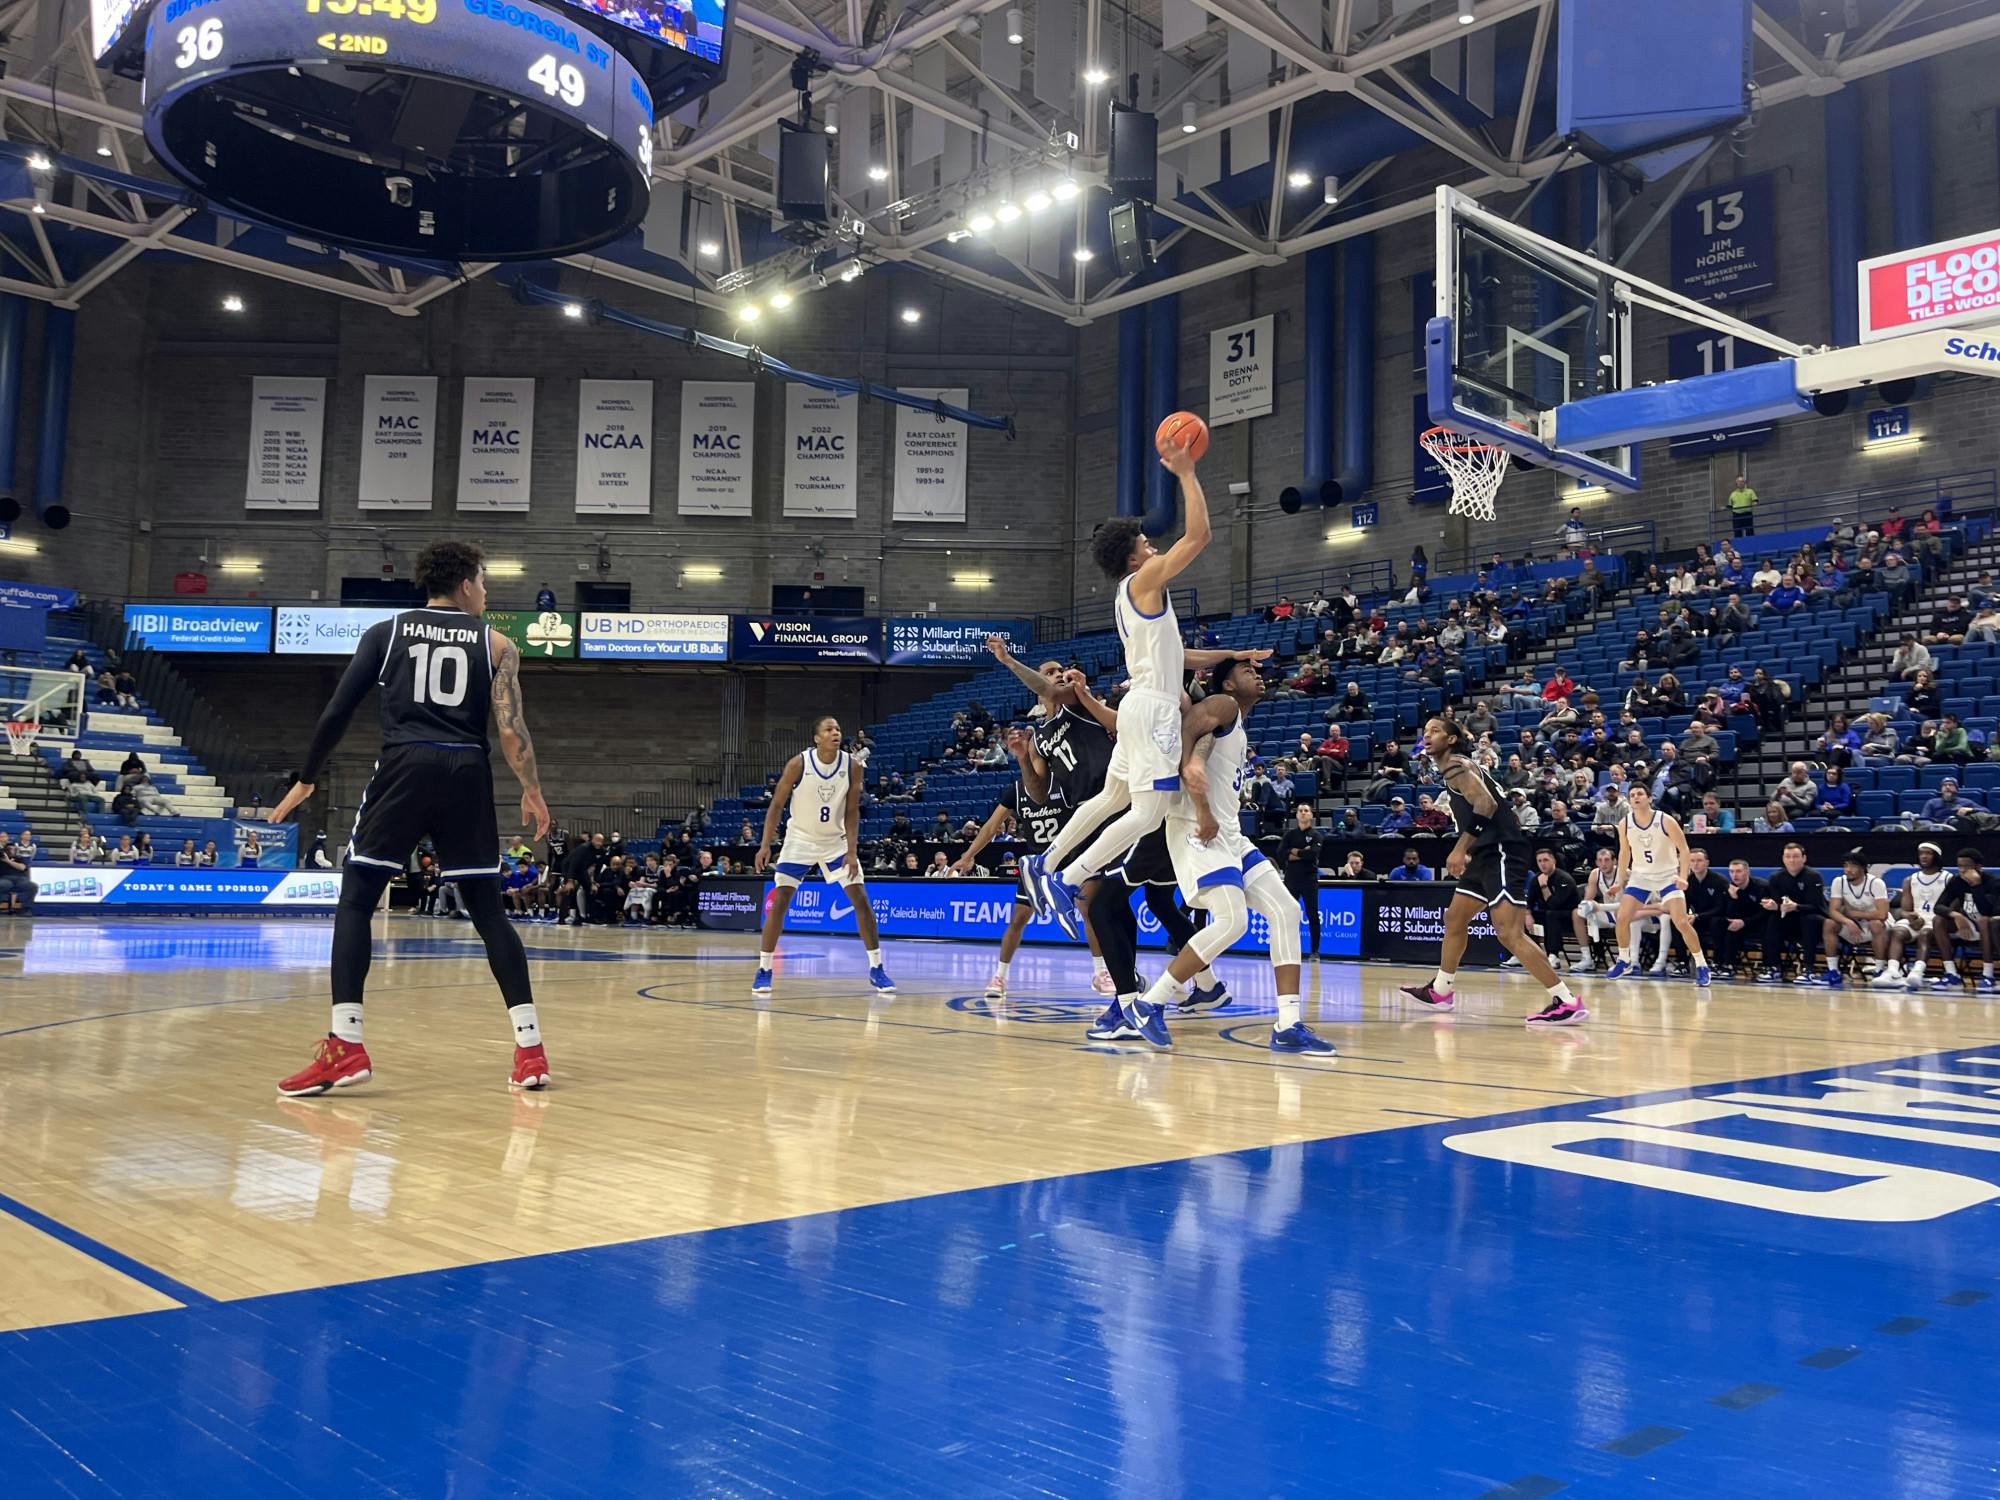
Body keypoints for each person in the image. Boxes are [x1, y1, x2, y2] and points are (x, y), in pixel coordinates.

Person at [267, 540, 553, 1095]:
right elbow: (512, 729)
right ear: (467, 584)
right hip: (467, 771)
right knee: (489, 914)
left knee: (357, 897)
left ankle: (345, 1045)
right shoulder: (497, 645)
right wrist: (532, 790)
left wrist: (307, 777)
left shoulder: (386, 633)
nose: (487, 594)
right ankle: (530, 1051)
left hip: (405, 765)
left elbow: (338, 710)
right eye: (486, 584)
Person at [1023, 427, 1254, 937]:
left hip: (1140, 704)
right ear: (1132, 558)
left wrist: (1234, 654)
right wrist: (1188, 473)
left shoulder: (1135, 597)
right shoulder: (1145, 580)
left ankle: (1045, 863)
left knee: (1112, 799)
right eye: (1147, 543)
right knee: (1148, 811)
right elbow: (1199, 538)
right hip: (1151, 710)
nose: (1154, 547)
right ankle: (1071, 877)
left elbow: (1181, 655)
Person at [1107, 658, 1333, 1055]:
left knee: (1286, 911)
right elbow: (1189, 736)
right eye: (1247, 671)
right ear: (1226, 683)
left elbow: (1203, 738)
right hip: (1197, 826)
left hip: (1230, 833)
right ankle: (1149, 1003)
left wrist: (1200, 766)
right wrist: (1200, 796)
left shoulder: (1234, 719)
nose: (1257, 674)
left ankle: (1288, 1025)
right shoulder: (1222, 703)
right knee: (1231, 921)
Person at [1398, 718, 1588, 1026]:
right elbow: (1500, 806)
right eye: (1426, 730)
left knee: (1509, 933)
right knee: (1455, 918)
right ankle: (1441, 990)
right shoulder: (1463, 766)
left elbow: (1485, 805)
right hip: (1487, 852)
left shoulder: (1455, 766)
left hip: (1501, 850)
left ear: (1451, 739)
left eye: (1435, 730)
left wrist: (1460, 848)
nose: (1427, 734)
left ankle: (1566, 1001)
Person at [753, 716, 896, 996]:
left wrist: (852, 851)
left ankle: (877, 968)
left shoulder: (852, 766)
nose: (836, 733)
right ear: (816, 737)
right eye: (829, 729)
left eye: (838, 729)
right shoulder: (798, 764)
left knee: (861, 899)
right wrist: (765, 844)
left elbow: (852, 811)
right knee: (780, 900)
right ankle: (764, 969)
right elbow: (777, 804)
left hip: (836, 842)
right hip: (800, 839)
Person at [1601, 783, 1712, 985]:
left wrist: (1683, 877)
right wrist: (1619, 881)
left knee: (1681, 922)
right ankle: (1624, 959)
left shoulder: (1665, 820)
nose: (1635, 797)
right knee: (1622, 918)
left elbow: (1685, 850)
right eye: (1632, 794)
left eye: (1640, 794)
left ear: (1649, 798)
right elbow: (1624, 853)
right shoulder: (1625, 823)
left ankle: (1702, 964)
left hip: (1667, 875)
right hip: (1640, 877)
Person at [1874, 842, 1953, 987]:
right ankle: (1892, 972)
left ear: (1937, 856)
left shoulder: (1948, 878)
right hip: (1917, 920)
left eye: (1928, 853)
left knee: (1925, 934)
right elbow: (1905, 910)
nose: (1923, 856)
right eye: (1921, 853)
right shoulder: (1910, 880)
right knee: (1897, 931)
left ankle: (1917, 972)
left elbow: (1952, 907)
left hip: (1937, 921)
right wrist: (1910, 917)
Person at [1753, 843, 1827, 983]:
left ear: (1804, 858)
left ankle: (1808, 969)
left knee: (1809, 919)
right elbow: (1775, 901)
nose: (1792, 860)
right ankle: (1774, 967)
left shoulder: (1813, 876)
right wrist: (1773, 905)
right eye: (1788, 857)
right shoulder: (1776, 877)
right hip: (1788, 920)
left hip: (1811, 920)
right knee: (1772, 920)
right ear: (1783, 859)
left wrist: (1796, 907)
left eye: (1795, 857)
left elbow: (1817, 906)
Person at [1932, 848, 2000, 992]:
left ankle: (1988, 975)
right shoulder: (1956, 881)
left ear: (1978, 867)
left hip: (1989, 928)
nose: (1962, 870)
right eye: (1960, 866)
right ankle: (1951, 974)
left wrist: (1976, 886)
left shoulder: (1991, 882)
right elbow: (1938, 906)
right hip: (1966, 924)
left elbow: (1986, 911)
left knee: (1984, 920)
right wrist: (1956, 915)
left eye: (1966, 867)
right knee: (1938, 920)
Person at [1819, 851, 1890, 983]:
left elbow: (1882, 914)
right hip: (1853, 925)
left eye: (1853, 866)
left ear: (1863, 868)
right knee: (1829, 923)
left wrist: (1854, 914)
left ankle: (1879, 970)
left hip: (1877, 926)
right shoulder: (1838, 882)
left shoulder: (1876, 883)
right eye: (1845, 866)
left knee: (1876, 924)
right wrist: (1848, 921)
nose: (1848, 870)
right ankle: (1833, 971)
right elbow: (1833, 911)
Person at [1279, 803, 1325, 959]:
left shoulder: (1316, 835)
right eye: (1300, 811)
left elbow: (1313, 854)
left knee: (1312, 914)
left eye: (1306, 811)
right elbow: (1280, 853)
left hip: (1309, 879)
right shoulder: (1290, 835)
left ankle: (1314, 950)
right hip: (1291, 878)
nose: (1303, 813)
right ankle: (1287, 948)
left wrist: (1293, 852)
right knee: (1288, 914)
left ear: (1311, 815)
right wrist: (1302, 852)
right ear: (1297, 815)